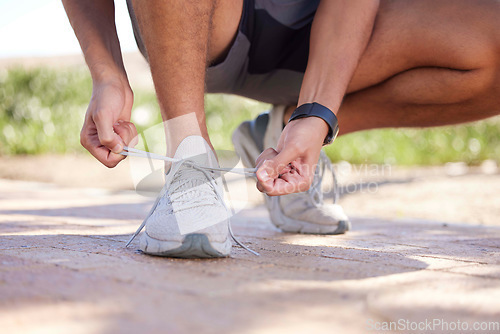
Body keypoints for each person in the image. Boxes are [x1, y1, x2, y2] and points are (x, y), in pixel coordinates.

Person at [62, 0, 500, 258]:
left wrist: (314, 116)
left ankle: (279, 135)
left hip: (329, 36)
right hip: (202, 20)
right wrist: (107, 73)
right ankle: (190, 163)